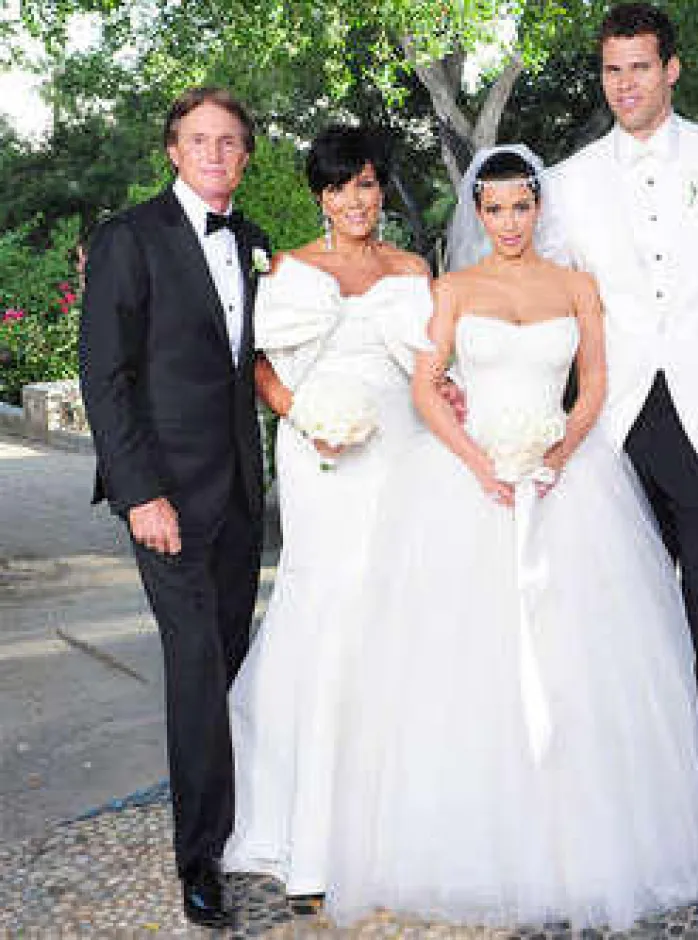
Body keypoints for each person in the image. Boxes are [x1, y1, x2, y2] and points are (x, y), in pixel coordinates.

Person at [322, 147, 698, 930]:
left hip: (564, 481)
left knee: (576, 655)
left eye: (521, 206)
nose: (509, 222)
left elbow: (596, 382)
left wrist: (559, 452)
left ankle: (583, 841)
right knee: (469, 660)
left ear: (539, 207)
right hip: (470, 485)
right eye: (495, 208)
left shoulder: (576, 286)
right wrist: (480, 462)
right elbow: (426, 386)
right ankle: (472, 843)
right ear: (477, 212)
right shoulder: (453, 288)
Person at [544, 3, 698, 876]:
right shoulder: (566, 182)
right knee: (624, 622)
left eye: (640, 66)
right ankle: (636, 812)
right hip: (615, 431)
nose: (626, 84)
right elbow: (543, 297)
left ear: (671, 69)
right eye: (612, 69)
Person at [221, 125, 433, 913]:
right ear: (321, 195)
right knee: (328, 609)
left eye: (367, 185)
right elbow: (258, 365)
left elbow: (432, 367)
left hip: (401, 452)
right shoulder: (289, 269)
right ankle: (309, 830)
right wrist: (303, 415)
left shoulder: (412, 270)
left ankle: (398, 823)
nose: (355, 201)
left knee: (395, 610)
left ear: (382, 191)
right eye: (340, 187)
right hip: (321, 457)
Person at [78, 87, 270, 928]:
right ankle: (201, 862)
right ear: (173, 151)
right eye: (200, 140)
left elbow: (257, 363)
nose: (216, 153)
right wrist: (139, 493)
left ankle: (239, 824)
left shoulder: (254, 243)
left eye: (229, 141)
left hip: (240, 495)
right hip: (166, 498)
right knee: (195, 667)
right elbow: (104, 376)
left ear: (246, 155)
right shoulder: (130, 238)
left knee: (228, 663)